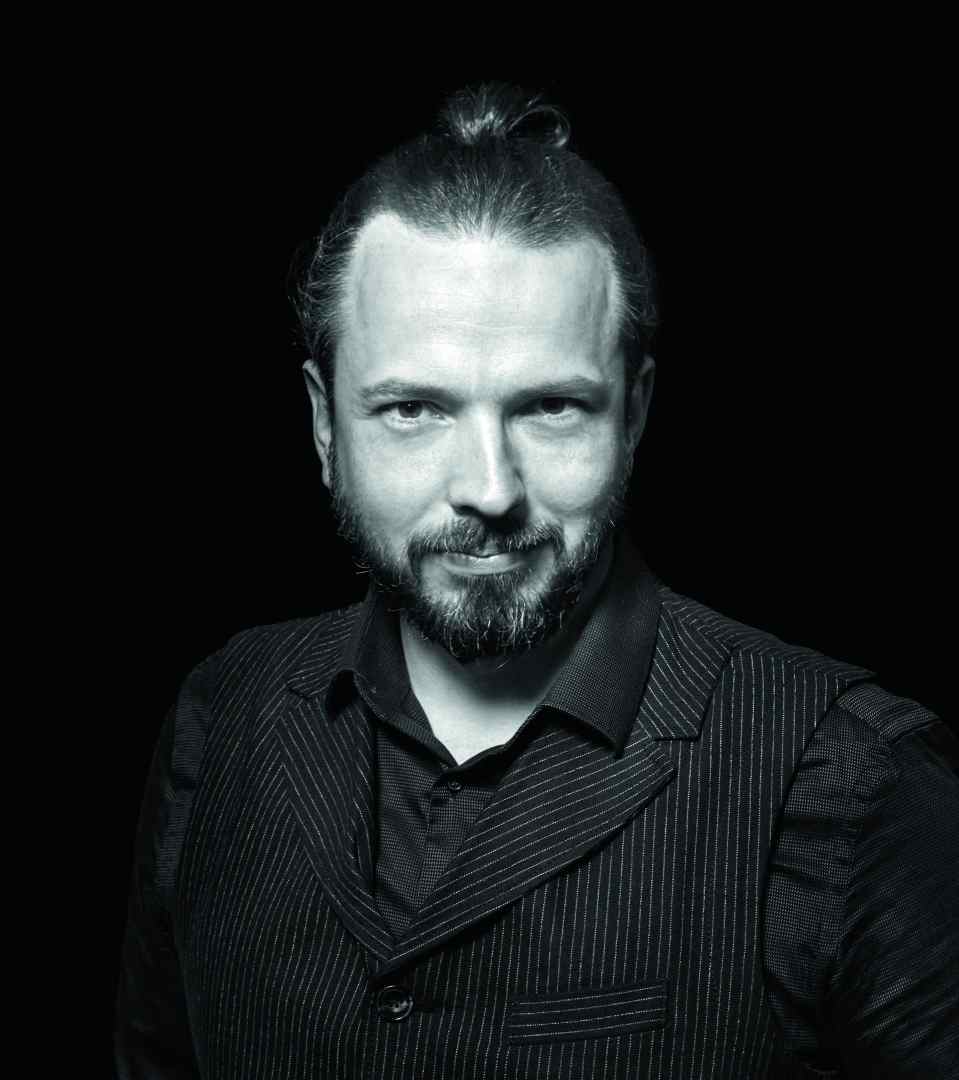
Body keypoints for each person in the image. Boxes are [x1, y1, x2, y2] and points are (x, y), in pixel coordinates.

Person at [115, 83, 959, 1079]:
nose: (488, 489)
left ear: (632, 414)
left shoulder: (854, 782)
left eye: (551, 407)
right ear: (321, 424)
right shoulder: (221, 716)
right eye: (414, 410)